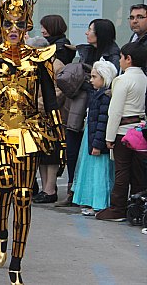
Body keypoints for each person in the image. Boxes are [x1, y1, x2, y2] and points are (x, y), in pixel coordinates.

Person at [57, 18, 120, 207]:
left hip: (96, 108)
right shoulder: (87, 51)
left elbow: (108, 83)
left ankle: (92, 196)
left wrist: (83, 81)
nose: (87, 33)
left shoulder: (113, 56)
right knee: (73, 148)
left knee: (94, 152)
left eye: (90, 30)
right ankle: (74, 191)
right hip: (79, 107)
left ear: (100, 33)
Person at [96, 42, 147, 221]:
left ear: (128, 59)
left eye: (121, 57)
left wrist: (109, 137)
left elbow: (115, 111)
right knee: (138, 172)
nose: (119, 61)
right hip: (141, 130)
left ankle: (117, 208)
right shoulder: (144, 78)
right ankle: (137, 207)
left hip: (123, 132)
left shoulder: (122, 79)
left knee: (122, 170)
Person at [72, 59, 117, 215]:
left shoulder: (104, 97)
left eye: (94, 77)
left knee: (99, 172)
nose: (91, 80)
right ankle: (93, 201)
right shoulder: (99, 95)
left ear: (104, 78)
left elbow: (102, 123)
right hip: (91, 137)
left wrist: (97, 144)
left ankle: (99, 203)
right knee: (93, 171)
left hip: (95, 138)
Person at [27, 36, 66, 204]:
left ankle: (50, 189)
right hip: (37, 118)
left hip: (52, 117)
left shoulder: (55, 66)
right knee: (42, 155)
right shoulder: (35, 64)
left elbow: (58, 92)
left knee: (51, 155)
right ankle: (44, 189)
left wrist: (37, 104)